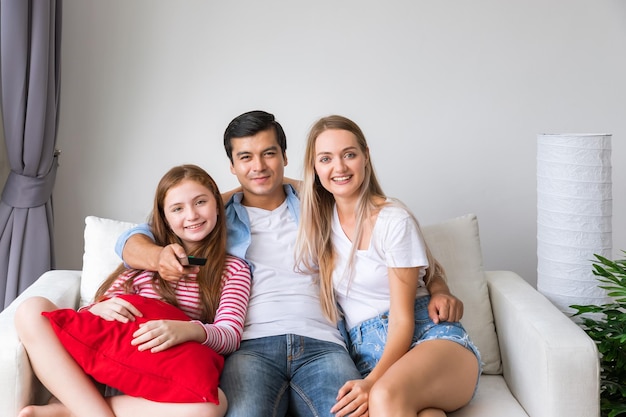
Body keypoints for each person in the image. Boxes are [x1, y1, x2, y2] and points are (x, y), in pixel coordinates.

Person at [117, 110, 465, 417]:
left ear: (284, 156)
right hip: (250, 347)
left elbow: (403, 244)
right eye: (246, 157)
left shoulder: (321, 203)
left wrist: (438, 286)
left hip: (324, 344)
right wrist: (158, 256)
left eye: (269, 153)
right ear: (233, 166)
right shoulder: (215, 214)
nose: (258, 166)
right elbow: (133, 239)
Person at [14, 164, 251, 417]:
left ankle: (70, 412)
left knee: (213, 406)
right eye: (178, 209)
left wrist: (187, 329)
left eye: (200, 202)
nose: (191, 215)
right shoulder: (147, 255)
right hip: (108, 350)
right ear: (165, 218)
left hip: (160, 365)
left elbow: (229, 335)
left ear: (217, 204)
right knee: (32, 309)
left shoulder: (233, 268)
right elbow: (97, 310)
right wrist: (96, 307)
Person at [295, 115, 482, 417]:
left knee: (383, 397)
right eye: (325, 159)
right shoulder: (320, 217)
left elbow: (402, 321)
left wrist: (371, 382)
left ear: (365, 156)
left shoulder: (393, 220)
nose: (339, 168)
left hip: (427, 339)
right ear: (314, 168)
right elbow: (258, 187)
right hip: (370, 353)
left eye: (349, 155)